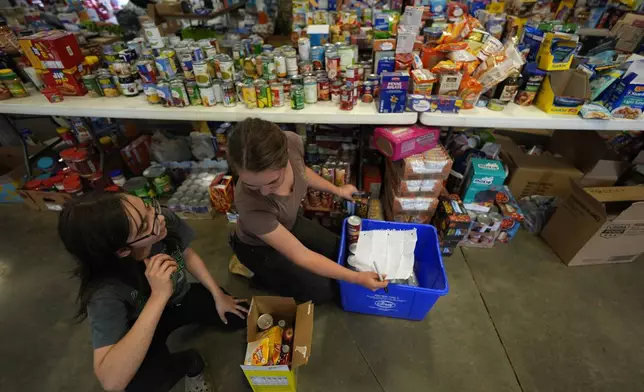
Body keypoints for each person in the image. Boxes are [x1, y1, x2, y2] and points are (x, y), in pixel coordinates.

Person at [58, 193, 248, 392]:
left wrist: (218, 295)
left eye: (148, 207)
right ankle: (191, 363)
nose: (159, 218)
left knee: (239, 314)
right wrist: (158, 295)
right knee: (141, 384)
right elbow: (111, 381)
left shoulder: (160, 221)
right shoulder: (104, 292)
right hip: (144, 323)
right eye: (143, 226)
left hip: (182, 298)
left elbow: (187, 253)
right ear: (122, 251)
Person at [228, 118, 388, 304]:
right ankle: (254, 272)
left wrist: (338, 190)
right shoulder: (250, 205)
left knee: (340, 251)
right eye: (250, 184)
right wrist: (356, 279)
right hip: (258, 247)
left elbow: (301, 171)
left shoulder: (291, 143)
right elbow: (301, 255)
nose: (264, 192)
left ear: (284, 158)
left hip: (286, 223)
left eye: (272, 182)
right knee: (323, 290)